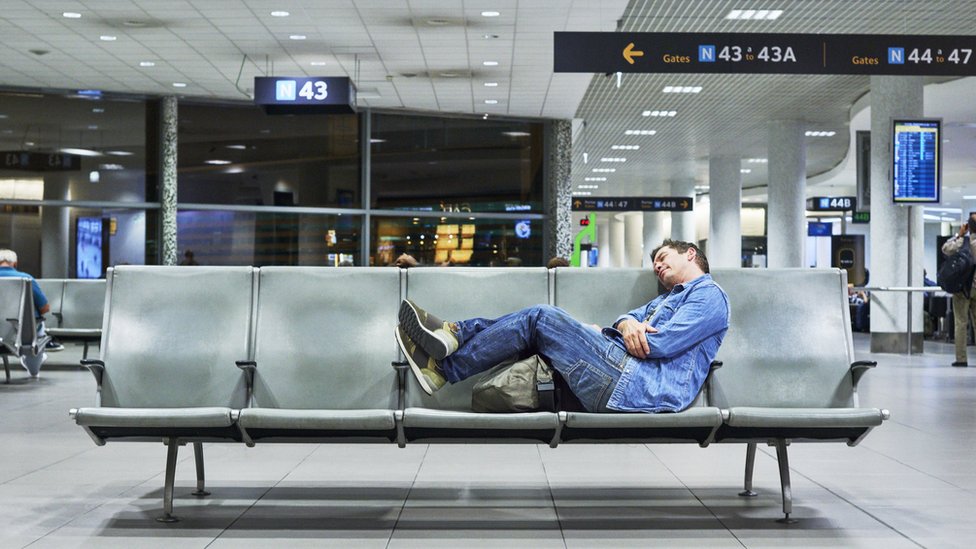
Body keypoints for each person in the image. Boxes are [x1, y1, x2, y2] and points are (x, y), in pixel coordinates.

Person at [394, 239, 730, 413]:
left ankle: (449, 352)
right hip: (623, 374)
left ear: (690, 254)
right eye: (654, 262)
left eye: (663, 258)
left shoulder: (709, 296)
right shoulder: (666, 300)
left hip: (639, 386)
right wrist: (627, 325)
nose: (657, 266)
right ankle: (450, 345)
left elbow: (658, 345)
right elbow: (625, 319)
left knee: (541, 317)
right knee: (536, 323)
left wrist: (624, 331)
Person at [0, 249, 58, 377]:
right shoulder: (26, 279)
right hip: (21, 334)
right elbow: (45, 308)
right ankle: (33, 371)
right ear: (15, 264)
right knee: (37, 325)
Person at [942, 215, 976, 366]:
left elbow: (945, 248)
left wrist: (960, 234)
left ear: (968, 226)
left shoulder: (963, 242)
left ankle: (961, 359)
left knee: (961, 323)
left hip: (962, 289)